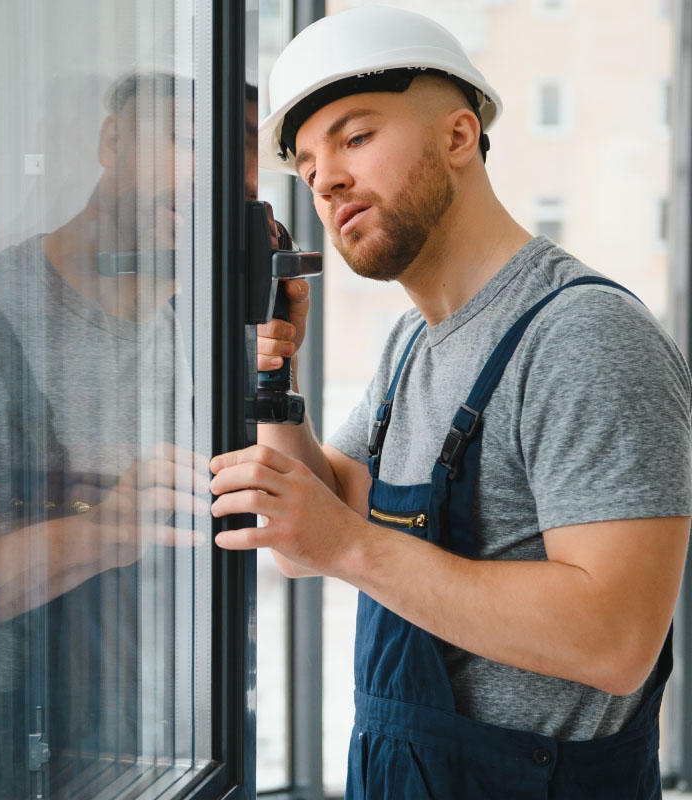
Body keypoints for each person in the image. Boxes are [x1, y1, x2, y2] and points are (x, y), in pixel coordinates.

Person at [210, 7, 692, 798]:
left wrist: (352, 548)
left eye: (355, 137)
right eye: (308, 166)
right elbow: (303, 542)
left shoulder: (584, 336)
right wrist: (278, 383)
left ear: (459, 135)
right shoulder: (410, 345)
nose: (325, 180)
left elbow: (616, 641)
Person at [0, 70, 206, 797]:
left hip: (170, 753)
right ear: (113, 141)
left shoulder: (215, 336)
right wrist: (104, 527)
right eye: (185, 140)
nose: (204, 177)